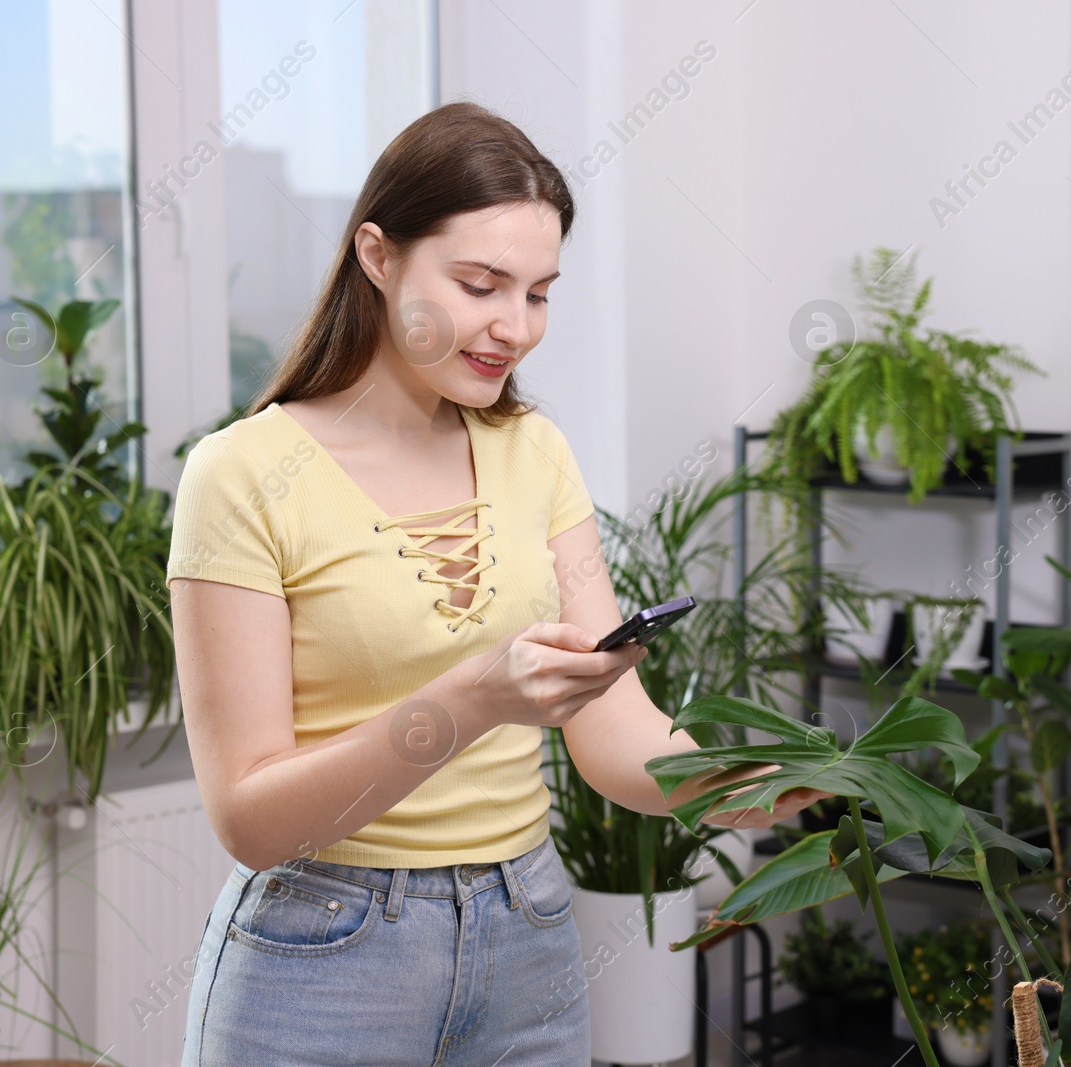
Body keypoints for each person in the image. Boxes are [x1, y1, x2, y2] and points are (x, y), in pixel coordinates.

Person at [168, 101, 826, 1067]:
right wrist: (475, 697)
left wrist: (749, 786)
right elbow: (252, 820)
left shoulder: (535, 453)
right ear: (378, 256)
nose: (515, 328)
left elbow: (614, 731)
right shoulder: (238, 475)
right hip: (320, 958)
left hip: (529, 940)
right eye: (481, 285)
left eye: (540, 293)